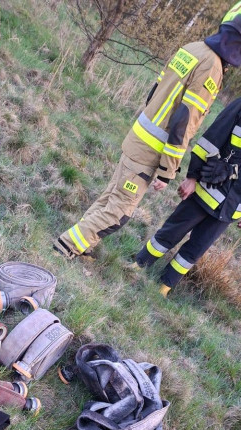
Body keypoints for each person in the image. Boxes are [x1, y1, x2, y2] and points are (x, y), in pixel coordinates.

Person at [53, 5, 241, 261]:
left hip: (138, 137)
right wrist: (167, 171)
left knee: (111, 198)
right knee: (119, 212)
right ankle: (65, 246)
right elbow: (183, 121)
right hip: (151, 150)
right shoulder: (212, 67)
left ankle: (81, 242)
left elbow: (155, 90)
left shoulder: (193, 48)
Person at [133, 96, 241, 296]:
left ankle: (165, 285)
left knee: (197, 248)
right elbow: (212, 139)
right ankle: (140, 263)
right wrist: (193, 176)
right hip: (208, 186)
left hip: (232, 207)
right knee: (173, 230)